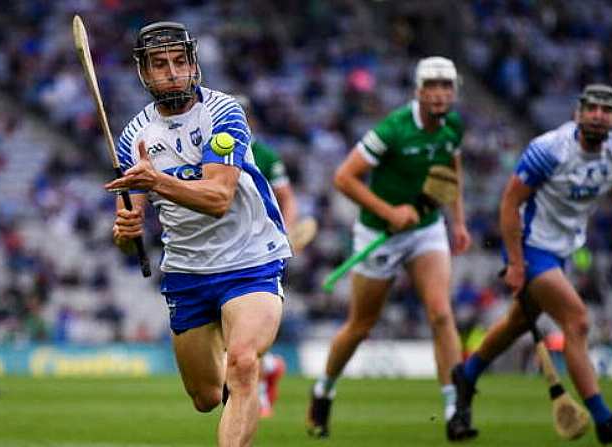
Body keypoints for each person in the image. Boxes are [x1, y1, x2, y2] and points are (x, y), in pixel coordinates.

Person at [104, 22, 291, 447]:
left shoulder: (224, 113)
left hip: (250, 259)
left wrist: (155, 183)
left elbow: (218, 197)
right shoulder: (134, 136)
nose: (172, 72)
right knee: (206, 397)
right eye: (159, 64)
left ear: (193, 65)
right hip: (187, 271)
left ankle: (256, 378)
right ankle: (256, 383)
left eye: (179, 61)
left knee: (242, 364)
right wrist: (125, 228)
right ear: (144, 74)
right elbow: (126, 223)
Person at [450, 84, 612, 444]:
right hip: (529, 244)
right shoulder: (549, 149)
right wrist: (514, 263)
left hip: (563, 249)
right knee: (577, 321)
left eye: (606, 110)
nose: (599, 115)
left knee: (516, 323)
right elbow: (509, 204)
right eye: (592, 108)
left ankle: (467, 373)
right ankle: (605, 421)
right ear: (579, 112)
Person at [306, 56, 473, 441]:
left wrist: (458, 221)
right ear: (418, 90)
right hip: (378, 231)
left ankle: (455, 409)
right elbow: (343, 177)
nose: (439, 94)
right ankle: (324, 391)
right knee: (360, 326)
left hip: (426, 230)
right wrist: (389, 212)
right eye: (431, 86)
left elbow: (452, 170)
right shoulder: (394, 129)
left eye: (446, 87)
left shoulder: (454, 126)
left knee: (441, 314)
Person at [236, 94, 296, 418]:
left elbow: (287, 198)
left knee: (248, 330)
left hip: (261, 250)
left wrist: (286, 232)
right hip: (223, 251)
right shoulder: (209, 147)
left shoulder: (265, 154)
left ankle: (258, 390)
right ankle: (270, 367)